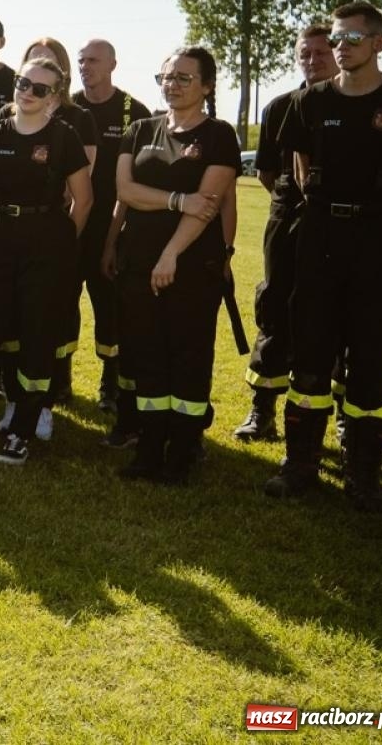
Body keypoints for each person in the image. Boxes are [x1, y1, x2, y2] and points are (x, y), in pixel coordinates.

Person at [267, 0, 382, 511]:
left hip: (377, 239)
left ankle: (363, 473)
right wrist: (329, 215)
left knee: (371, 354)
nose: (341, 47)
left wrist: (377, 220)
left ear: (379, 42)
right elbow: (301, 170)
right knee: (309, 350)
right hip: (320, 236)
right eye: (336, 38)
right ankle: (300, 463)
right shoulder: (310, 102)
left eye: (352, 38)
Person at [0, 58, 92, 464]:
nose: (27, 92)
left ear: (54, 96)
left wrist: (62, 243)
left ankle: (21, 432)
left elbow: (84, 200)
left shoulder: (64, 137)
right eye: (23, 83)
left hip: (46, 246)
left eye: (39, 88)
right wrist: (2, 222)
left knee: (36, 338)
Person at [108, 47, 239, 482]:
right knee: (147, 356)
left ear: (207, 86)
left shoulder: (219, 135)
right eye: (166, 76)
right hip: (138, 262)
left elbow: (210, 204)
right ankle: (149, 449)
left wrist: (171, 254)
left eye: (184, 77)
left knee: (188, 358)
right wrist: (178, 199)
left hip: (192, 265)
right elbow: (126, 191)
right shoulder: (140, 129)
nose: (173, 85)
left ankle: (182, 453)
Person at [236, 24, 338, 441]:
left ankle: (345, 420)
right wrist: (293, 207)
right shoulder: (280, 107)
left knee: (340, 315)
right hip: (288, 219)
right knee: (275, 306)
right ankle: (262, 411)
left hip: (341, 228)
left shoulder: (360, 105)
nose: (313, 60)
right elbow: (266, 173)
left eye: (321, 52)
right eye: (305, 54)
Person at [74, 38, 150, 412]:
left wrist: (115, 237)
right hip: (72, 222)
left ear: (113, 65)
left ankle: (111, 383)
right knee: (61, 303)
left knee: (110, 307)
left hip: (112, 226)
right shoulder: (69, 108)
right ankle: (59, 378)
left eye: (93, 60)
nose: (85, 67)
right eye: (81, 60)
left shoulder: (134, 112)